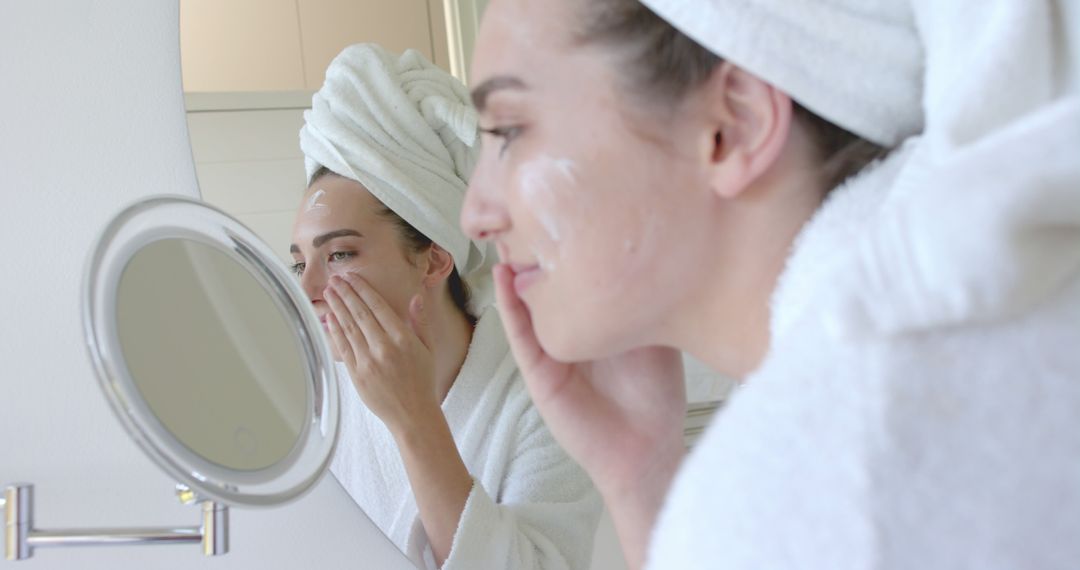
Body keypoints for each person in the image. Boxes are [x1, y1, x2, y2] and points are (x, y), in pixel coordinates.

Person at [460, 0, 1080, 568]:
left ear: (732, 127)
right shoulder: (948, 361)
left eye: (509, 131)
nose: (474, 215)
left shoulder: (825, 472)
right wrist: (641, 478)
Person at [291, 43, 601, 570]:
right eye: (300, 263)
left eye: (339, 254)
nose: (310, 288)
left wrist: (414, 420)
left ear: (434, 261)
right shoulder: (321, 401)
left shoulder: (545, 399)